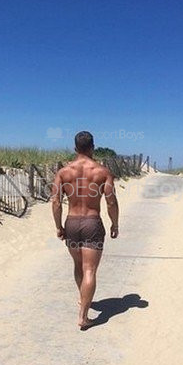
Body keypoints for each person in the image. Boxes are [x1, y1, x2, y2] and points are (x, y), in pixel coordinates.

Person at [51, 131, 119, 329]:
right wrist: (115, 223)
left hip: (72, 223)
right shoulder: (102, 172)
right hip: (92, 223)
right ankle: (83, 316)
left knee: (78, 265)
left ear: (75, 148)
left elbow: (56, 202)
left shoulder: (63, 172)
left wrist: (59, 226)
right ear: (93, 148)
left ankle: (83, 298)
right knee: (90, 269)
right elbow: (111, 202)